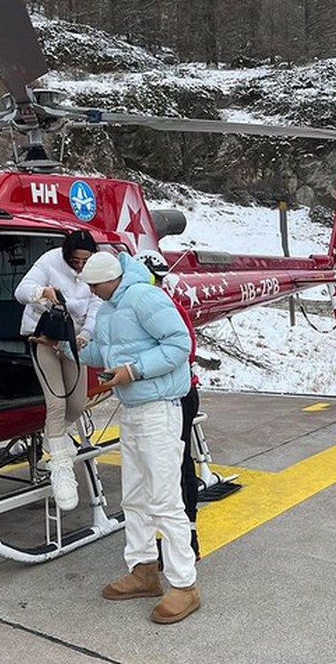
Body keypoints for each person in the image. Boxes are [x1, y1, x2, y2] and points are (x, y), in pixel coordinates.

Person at [79, 250, 200, 624]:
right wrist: (69, 345)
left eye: (94, 285)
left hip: (159, 408)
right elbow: (104, 350)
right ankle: (144, 568)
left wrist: (133, 371)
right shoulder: (110, 307)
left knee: (164, 498)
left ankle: (185, 585)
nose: (91, 292)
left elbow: (179, 344)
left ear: (108, 278)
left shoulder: (144, 296)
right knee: (134, 495)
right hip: (133, 408)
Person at [15, 230, 99, 511]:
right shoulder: (50, 261)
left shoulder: (94, 270)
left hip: (74, 340)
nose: (80, 266)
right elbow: (21, 291)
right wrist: (42, 293)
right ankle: (61, 468)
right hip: (45, 337)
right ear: (66, 255)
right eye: (75, 260)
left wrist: (85, 335)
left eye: (85, 261)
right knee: (57, 402)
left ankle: (54, 438)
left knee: (77, 404)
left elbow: (96, 306)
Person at [136, 249, 201, 562]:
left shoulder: (160, 307)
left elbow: (183, 350)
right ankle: (181, 537)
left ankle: (187, 540)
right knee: (173, 463)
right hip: (176, 394)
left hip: (176, 396)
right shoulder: (157, 304)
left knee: (176, 464)